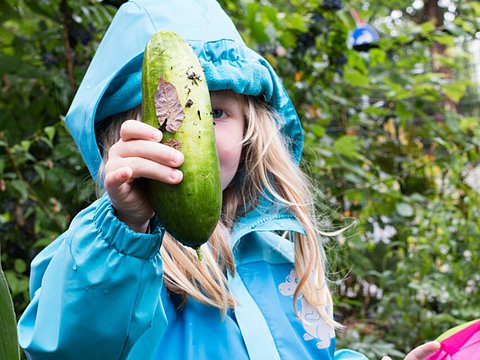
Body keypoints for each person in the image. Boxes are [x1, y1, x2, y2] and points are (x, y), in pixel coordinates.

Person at [17, 1, 438, 359]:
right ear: (121, 141)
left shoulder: (281, 254)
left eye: (216, 113)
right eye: (159, 115)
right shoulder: (100, 257)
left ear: (249, 131)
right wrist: (126, 229)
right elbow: (70, 346)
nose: (188, 135)